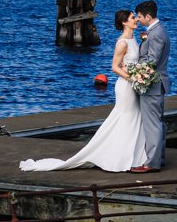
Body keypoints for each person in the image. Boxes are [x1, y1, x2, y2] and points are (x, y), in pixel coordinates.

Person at [18, 10, 148, 173]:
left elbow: (131, 62)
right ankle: (119, 157)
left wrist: (140, 73)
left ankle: (133, 157)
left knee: (134, 118)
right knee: (126, 117)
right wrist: (132, 78)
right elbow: (114, 67)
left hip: (133, 84)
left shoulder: (133, 39)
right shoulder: (122, 42)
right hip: (126, 86)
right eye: (132, 18)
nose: (136, 19)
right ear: (124, 22)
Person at [131, 0, 170, 173]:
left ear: (148, 16)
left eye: (139, 16)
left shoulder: (156, 33)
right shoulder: (158, 31)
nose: (138, 20)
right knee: (158, 123)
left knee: (152, 124)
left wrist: (134, 70)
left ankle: (152, 163)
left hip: (152, 84)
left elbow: (151, 60)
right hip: (158, 83)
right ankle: (158, 158)